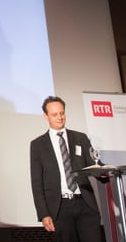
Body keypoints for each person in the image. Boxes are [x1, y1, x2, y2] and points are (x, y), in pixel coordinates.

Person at [29, 96, 101, 242]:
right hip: (59, 207)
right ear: (45, 116)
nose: (60, 117)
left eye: (62, 113)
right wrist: (44, 214)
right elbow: (37, 184)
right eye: (55, 114)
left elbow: (94, 165)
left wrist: (106, 172)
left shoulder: (80, 138)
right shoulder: (38, 145)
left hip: (85, 203)